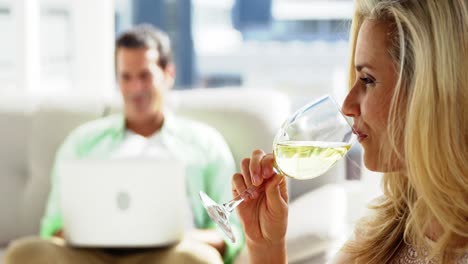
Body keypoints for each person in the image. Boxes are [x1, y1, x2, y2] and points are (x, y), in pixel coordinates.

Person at [231, 0, 468, 263]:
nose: (347, 105)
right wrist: (265, 247)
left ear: (430, 93)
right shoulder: (381, 233)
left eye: (367, 80)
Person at [4, 25, 244, 264]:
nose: (135, 88)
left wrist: (180, 236)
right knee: (22, 254)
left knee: (198, 259)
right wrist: (91, 232)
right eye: (126, 77)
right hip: (92, 257)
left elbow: (228, 232)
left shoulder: (205, 144)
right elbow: (52, 229)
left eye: (145, 76)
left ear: (168, 74)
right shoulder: (82, 143)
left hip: (170, 255)